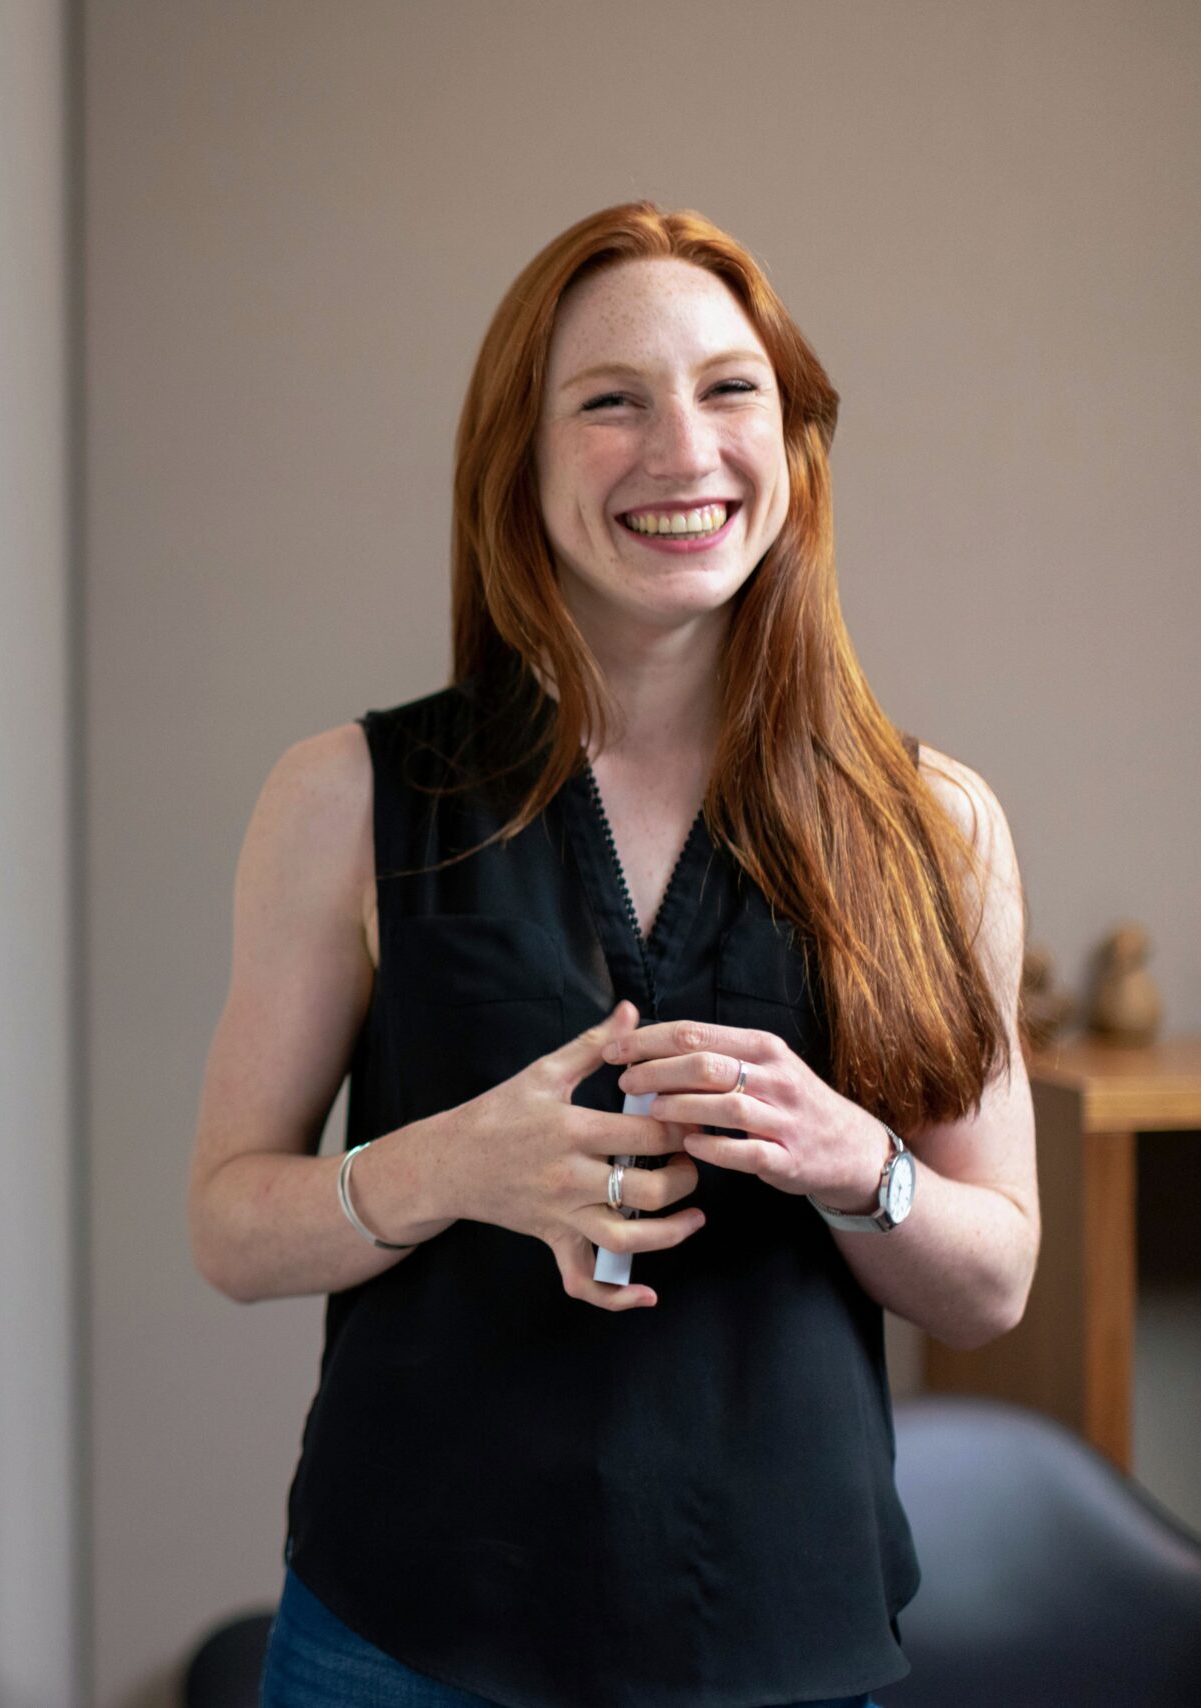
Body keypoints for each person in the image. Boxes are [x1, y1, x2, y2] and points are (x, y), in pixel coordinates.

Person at [188, 203, 1037, 1708]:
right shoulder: (345, 798)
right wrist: (449, 1167)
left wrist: (859, 1164)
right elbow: (230, 1227)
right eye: (611, 402)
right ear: (517, 461)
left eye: (729, 390)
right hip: (404, 1643)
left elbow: (993, 1282)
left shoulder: (936, 825)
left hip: (784, 1644)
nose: (683, 450)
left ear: (794, 441)